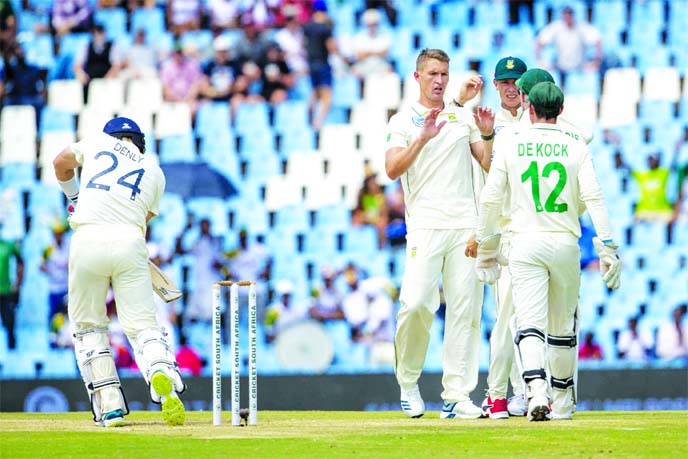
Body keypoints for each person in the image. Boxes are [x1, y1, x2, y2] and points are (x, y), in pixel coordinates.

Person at [474, 81, 621, 422]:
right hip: (566, 242)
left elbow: (492, 197)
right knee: (562, 327)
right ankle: (563, 401)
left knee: (528, 323)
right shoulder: (575, 143)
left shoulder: (511, 141)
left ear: (529, 108)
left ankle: (536, 391)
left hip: (525, 241)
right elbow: (595, 196)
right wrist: (607, 245)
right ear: (561, 110)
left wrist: (485, 245)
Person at [52, 117, 186, 427]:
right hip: (130, 240)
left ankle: (110, 406)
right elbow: (144, 217)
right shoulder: (155, 172)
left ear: (112, 137)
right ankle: (160, 371)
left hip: (87, 239)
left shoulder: (98, 143)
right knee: (142, 326)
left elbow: (60, 162)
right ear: (138, 142)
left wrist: (75, 198)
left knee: (89, 326)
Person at [385, 48, 495, 419]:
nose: (439, 80)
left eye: (444, 74)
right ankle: (408, 382)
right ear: (417, 77)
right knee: (415, 304)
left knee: (466, 310)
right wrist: (422, 138)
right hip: (425, 227)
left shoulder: (462, 117)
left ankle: (456, 395)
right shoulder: (403, 121)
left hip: (465, 225)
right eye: (432, 73)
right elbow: (391, 169)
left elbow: (488, 163)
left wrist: (487, 134)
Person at [456, 56, 530, 420]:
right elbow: (488, 168)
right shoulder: (485, 120)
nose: (512, 87)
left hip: (530, 226)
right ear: (497, 86)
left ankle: (521, 392)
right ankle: (508, 393)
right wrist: (486, 134)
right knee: (507, 315)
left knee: (521, 316)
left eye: (517, 81)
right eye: (505, 81)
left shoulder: (539, 120)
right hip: (500, 229)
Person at [534, 5, 602, 88]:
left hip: (579, 66)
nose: (568, 18)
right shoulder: (556, 27)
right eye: (566, 15)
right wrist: (541, 61)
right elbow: (539, 41)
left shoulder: (582, 27)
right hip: (561, 67)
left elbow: (597, 40)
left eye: (570, 15)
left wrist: (596, 62)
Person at [302, 0, 337, 130]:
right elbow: (332, 47)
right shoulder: (325, 28)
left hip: (311, 64)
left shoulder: (307, 27)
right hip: (323, 64)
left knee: (315, 92)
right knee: (327, 96)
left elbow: (303, 44)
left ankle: (309, 114)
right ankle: (318, 122)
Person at [616, 152, 674, 223]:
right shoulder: (643, 176)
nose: (650, 162)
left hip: (662, 210)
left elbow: (673, 166)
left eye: (652, 159)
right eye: (648, 160)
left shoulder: (664, 173)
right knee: (631, 222)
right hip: (644, 210)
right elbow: (630, 169)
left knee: (672, 219)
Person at [40, 219, 71, 348]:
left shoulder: (69, 247)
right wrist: (51, 270)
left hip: (67, 287)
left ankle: (68, 340)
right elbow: (41, 266)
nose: (58, 236)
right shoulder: (48, 248)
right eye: (56, 233)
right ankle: (53, 340)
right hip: (54, 288)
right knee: (54, 314)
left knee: (69, 315)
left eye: (60, 233)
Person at [73, 23, 122, 101]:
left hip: (107, 78)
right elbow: (77, 65)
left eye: (101, 33)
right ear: (93, 35)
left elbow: (116, 65)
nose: (100, 36)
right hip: (90, 79)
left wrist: (107, 79)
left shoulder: (112, 46)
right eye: (97, 34)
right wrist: (81, 74)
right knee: (81, 84)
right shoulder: (86, 47)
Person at [350, 8, 392, 78]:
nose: (372, 27)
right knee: (354, 72)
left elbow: (385, 53)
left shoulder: (385, 36)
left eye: (374, 24)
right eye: (370, 24)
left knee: (389, 71)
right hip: (364, 66)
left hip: (380, 66)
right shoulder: (359, 37)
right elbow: (359, 56)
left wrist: (368, 53)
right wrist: (377, 52)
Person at [352, 171, 388, 249]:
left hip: (376, 219)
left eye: (374, 181)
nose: (373, 183)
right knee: (356, 220)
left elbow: (383, 214)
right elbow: (358, 210)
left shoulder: (380, 196)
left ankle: (381, 248)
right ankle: (356, 247)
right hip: (366, 218)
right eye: (371, 181)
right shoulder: (362, 195)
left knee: (381, 223)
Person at [0, 235, 23, 350]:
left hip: (6, 290)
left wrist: (18, 283)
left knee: (9, 321)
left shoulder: (7, 246)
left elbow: (20, 262)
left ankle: (12, 349)